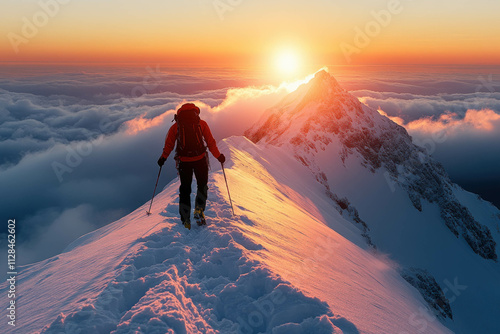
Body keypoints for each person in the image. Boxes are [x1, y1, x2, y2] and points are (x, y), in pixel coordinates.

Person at [157, 103, 225, 230]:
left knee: (185, 190)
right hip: (200, 159)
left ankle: (185, 219)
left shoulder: (175, 127)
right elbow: (211, 142)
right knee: (202, 185)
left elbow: (169, 145)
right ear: (196, 112)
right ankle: (199, 211)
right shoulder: (201, 124)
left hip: (184, 162)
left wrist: (163, 158)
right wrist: (219, 156)